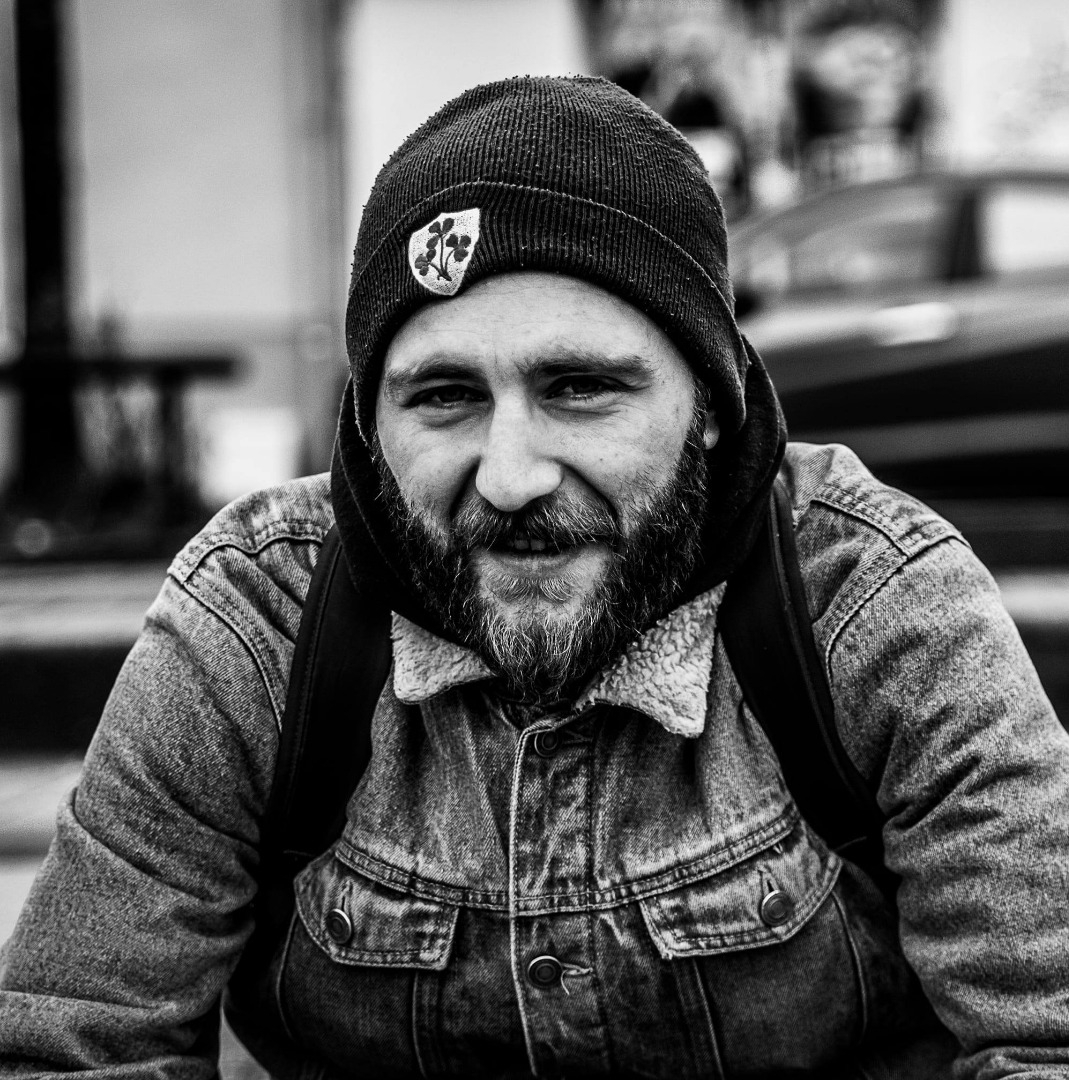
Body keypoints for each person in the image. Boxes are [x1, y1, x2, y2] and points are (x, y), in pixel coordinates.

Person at [1, 75, 1068, 1079]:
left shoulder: (874, 604)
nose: (509, 478)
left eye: (579, 387)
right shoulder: (258, 622)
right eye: (444, 397)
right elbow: (78, 1043)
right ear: (368, 425)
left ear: (710, 404)